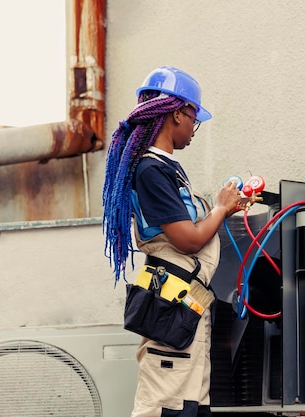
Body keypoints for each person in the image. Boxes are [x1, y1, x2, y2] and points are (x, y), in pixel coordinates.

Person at [102, 65, 242, 417]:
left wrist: (227, 207)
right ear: (177, 112)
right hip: (172, 301)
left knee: (191, 404)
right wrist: (221, 209)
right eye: (193, 118)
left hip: (187, 300)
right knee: (165, 406)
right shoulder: (150, 170)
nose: (194, 129)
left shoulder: (166, 168)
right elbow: (188, 239)